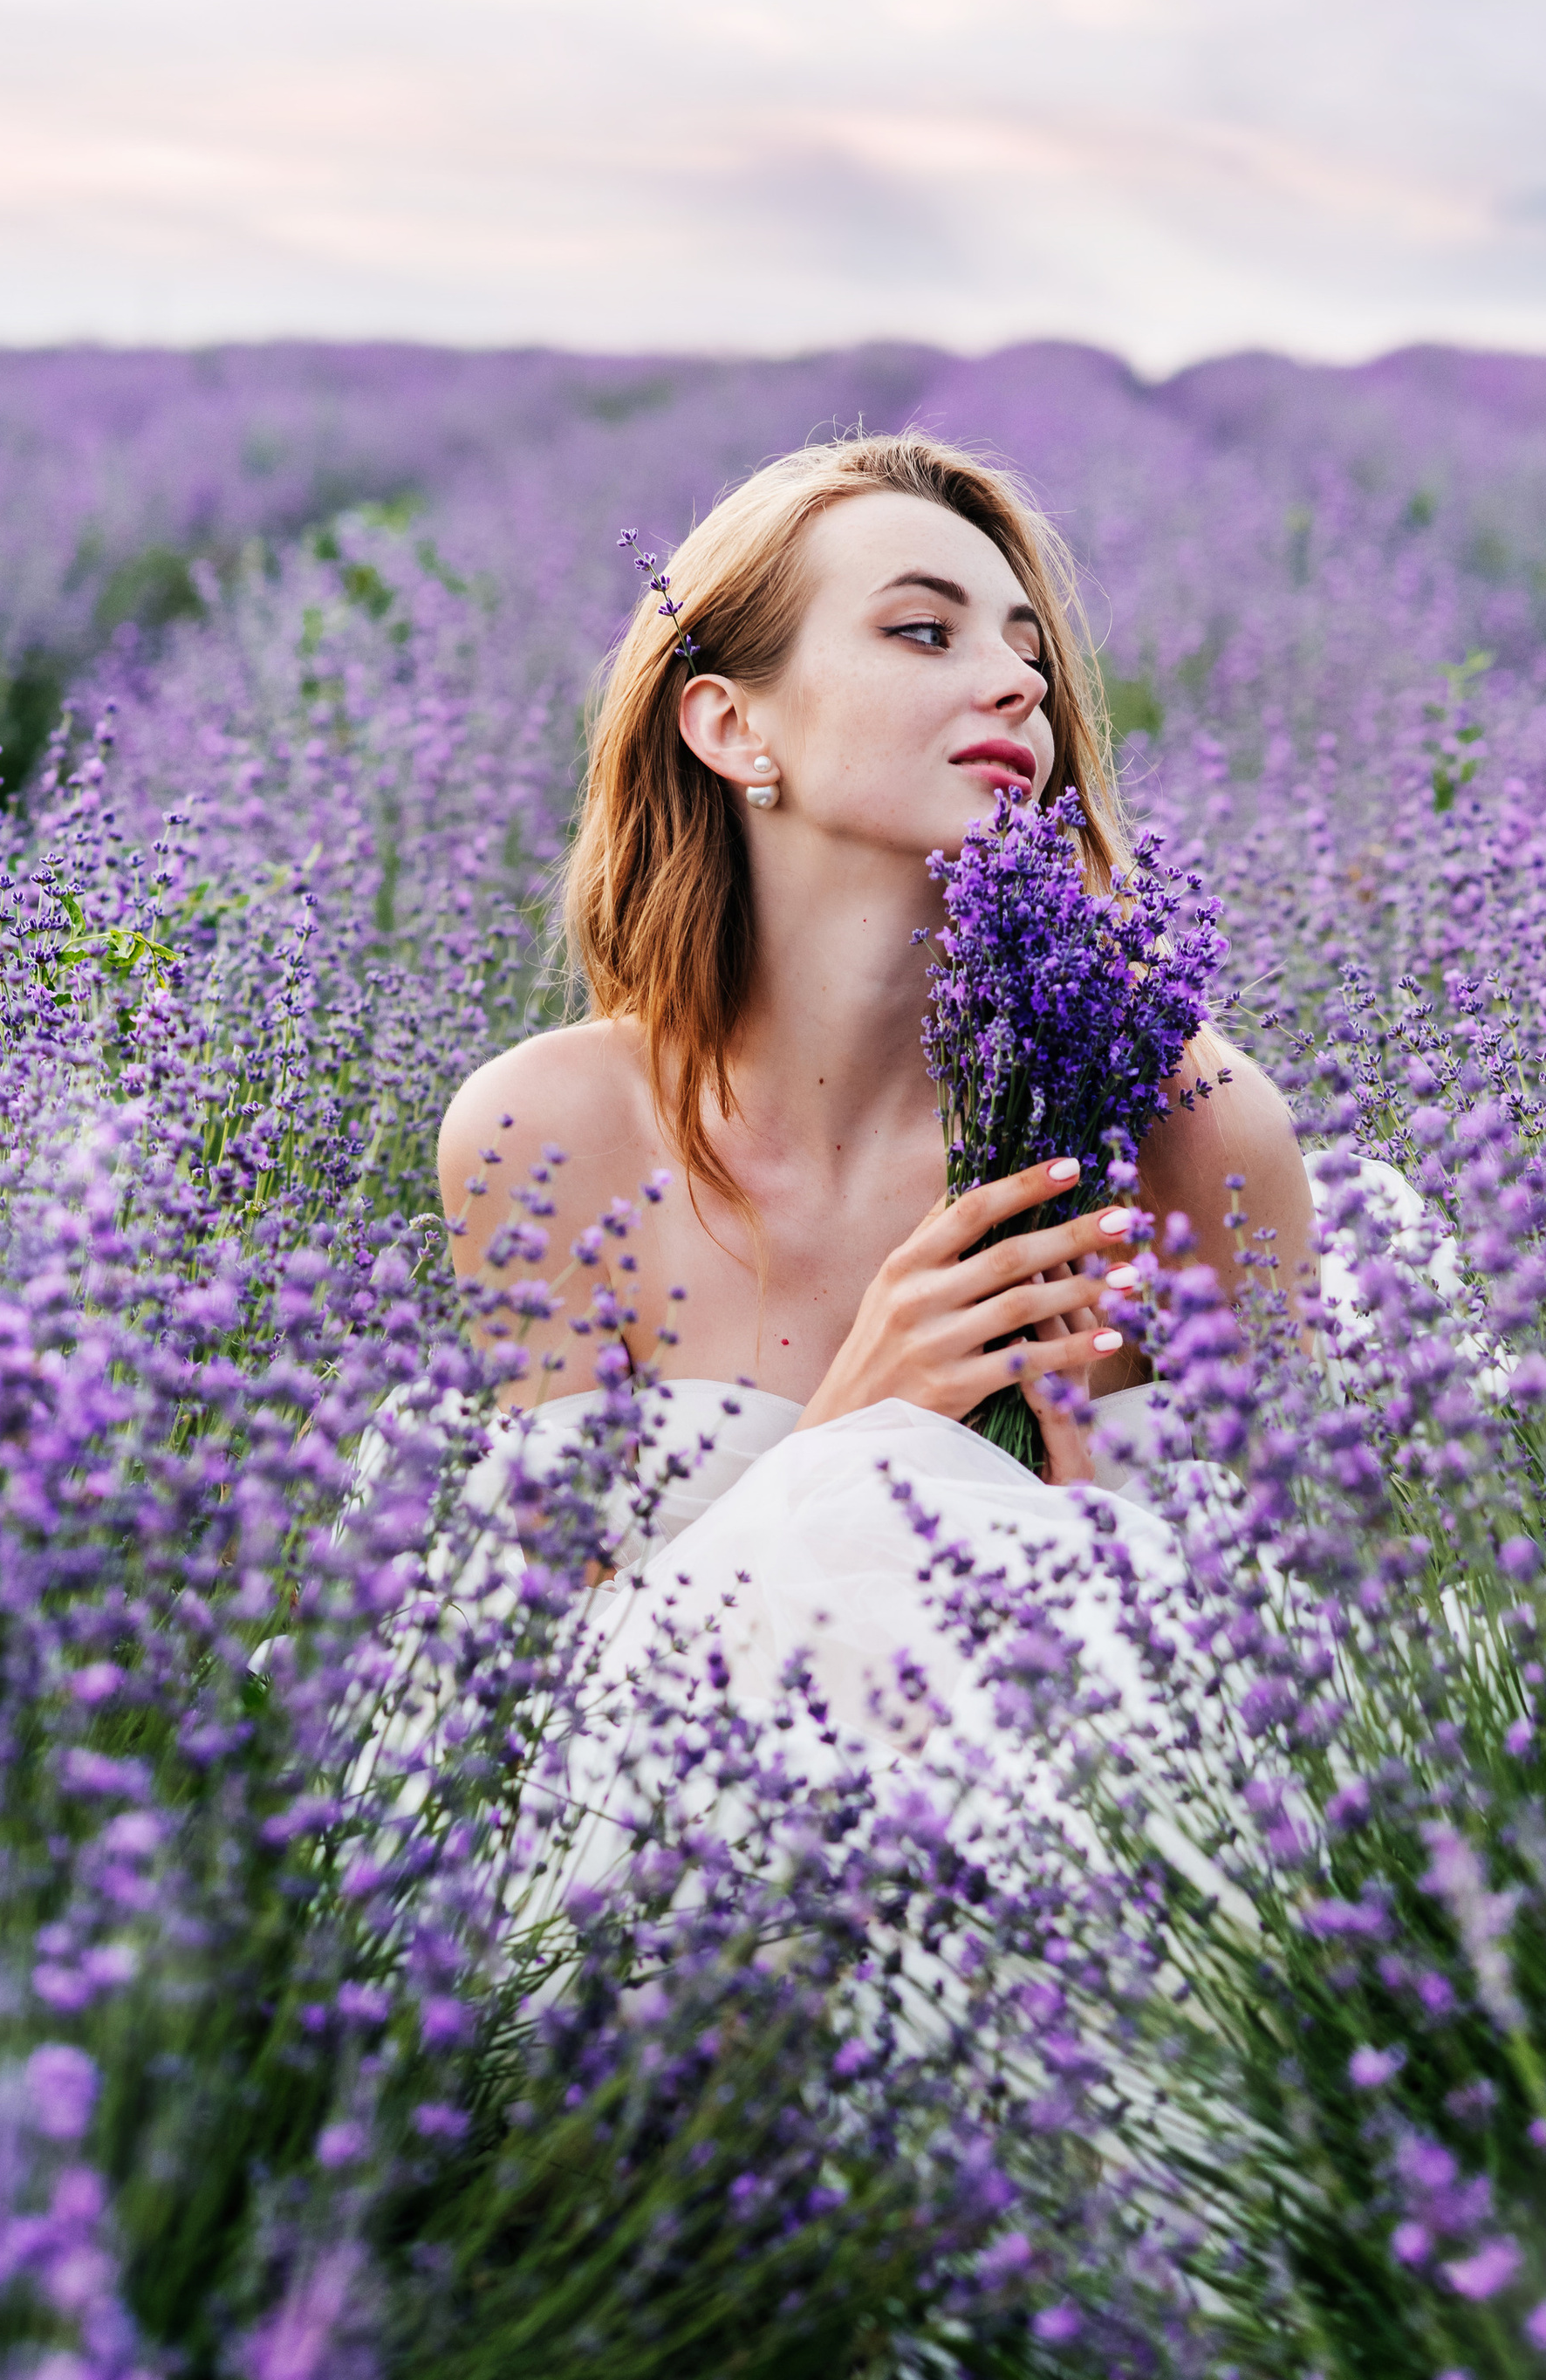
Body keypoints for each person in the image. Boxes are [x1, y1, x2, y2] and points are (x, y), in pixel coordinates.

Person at [434, 434, 1310, 1659]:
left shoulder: (1177, 1120)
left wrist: (1102, 1560)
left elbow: (1322, 1649)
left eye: (1029, 651)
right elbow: (538, 1699)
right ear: (732, 724)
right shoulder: (556, 1134)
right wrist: (848, 1436)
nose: (1018, 686)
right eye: (924, 632)